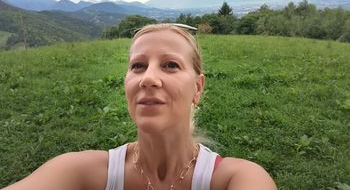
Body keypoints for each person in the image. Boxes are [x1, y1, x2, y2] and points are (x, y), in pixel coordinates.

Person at [2, 23, 277, 190]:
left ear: (197, 88)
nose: (148, 78)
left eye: (170, 65)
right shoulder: (79, 172)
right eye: (138, 66)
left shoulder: (237, 178)